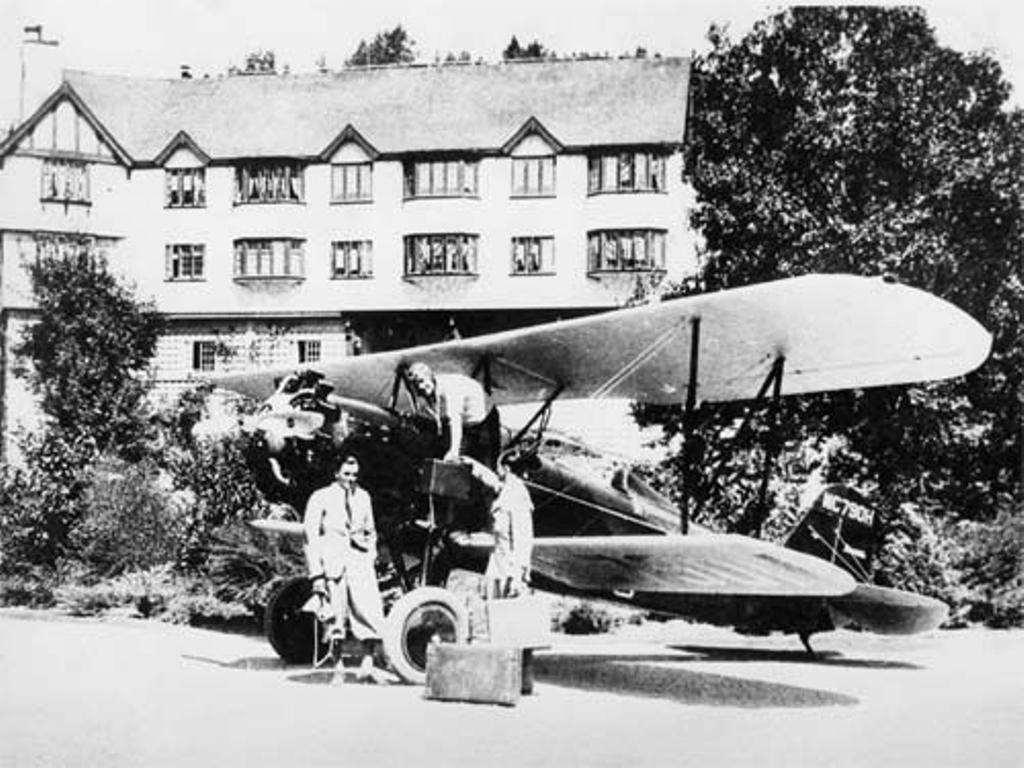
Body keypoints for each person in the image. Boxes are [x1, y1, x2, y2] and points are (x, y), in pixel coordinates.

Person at [303, 454, 387, 681]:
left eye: (355, 475)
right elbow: (310, 537)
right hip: (333, 563)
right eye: (346, 474)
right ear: (336, 473)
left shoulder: (364, 497)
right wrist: (316, 574)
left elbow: (371, 531)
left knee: (368, 610)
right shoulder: (320, 497)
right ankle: (338, 665)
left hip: (359, 561)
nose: (351, 479)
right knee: (334, 617)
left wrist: (370, 554)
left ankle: (368, 661)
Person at [461, 453, 534, 599]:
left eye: (499, 468)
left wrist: (518, 576)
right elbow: (490, 479)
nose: (497, 471)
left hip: (510, 569)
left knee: (506, 612)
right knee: (492, 606)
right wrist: (469, 462)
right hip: (499, 561)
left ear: (506, 469)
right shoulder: (508, 488)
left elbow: (523, 540)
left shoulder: (518, 494)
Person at [407, 362, 501, 469]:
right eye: (416, 384)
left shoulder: (450, 388)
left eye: (422, 381)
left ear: (431, 377)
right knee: (456, 466)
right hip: (466, 426)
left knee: (488, 468)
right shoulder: (426, 395)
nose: (421, 386)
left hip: (485, 420)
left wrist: (454, 451)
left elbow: (455, 420)